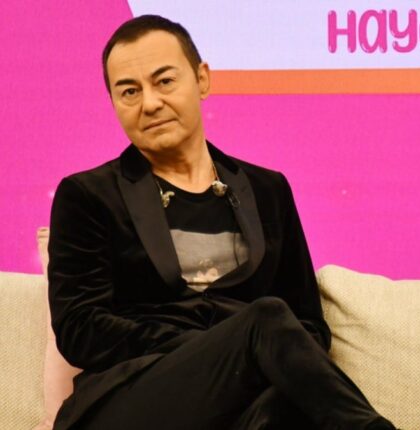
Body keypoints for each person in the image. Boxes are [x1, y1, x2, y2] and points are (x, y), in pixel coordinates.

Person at [47, 14, 396, 430]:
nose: (150, 103)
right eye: (129, 91)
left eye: (164, 81)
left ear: (202, 80)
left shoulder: (268, 191)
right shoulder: (87, 195)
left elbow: (309, 325)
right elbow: (80, 328)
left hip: (236, 397)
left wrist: (244, 356)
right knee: (266, 318)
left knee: (280, 409)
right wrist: (218, 345)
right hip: (132, 399)